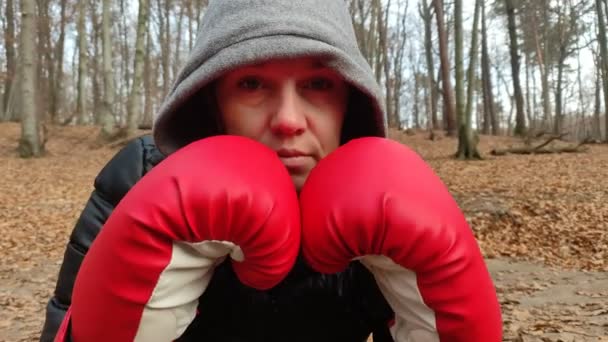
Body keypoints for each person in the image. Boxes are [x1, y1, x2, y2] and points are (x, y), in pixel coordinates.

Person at [40, 1, 502, 341]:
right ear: (212, 102)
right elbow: (65, 319)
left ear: (349, 103)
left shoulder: (388, 204)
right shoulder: (139, 175)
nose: (288, 119)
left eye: (318, 84)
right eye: (252, 83)